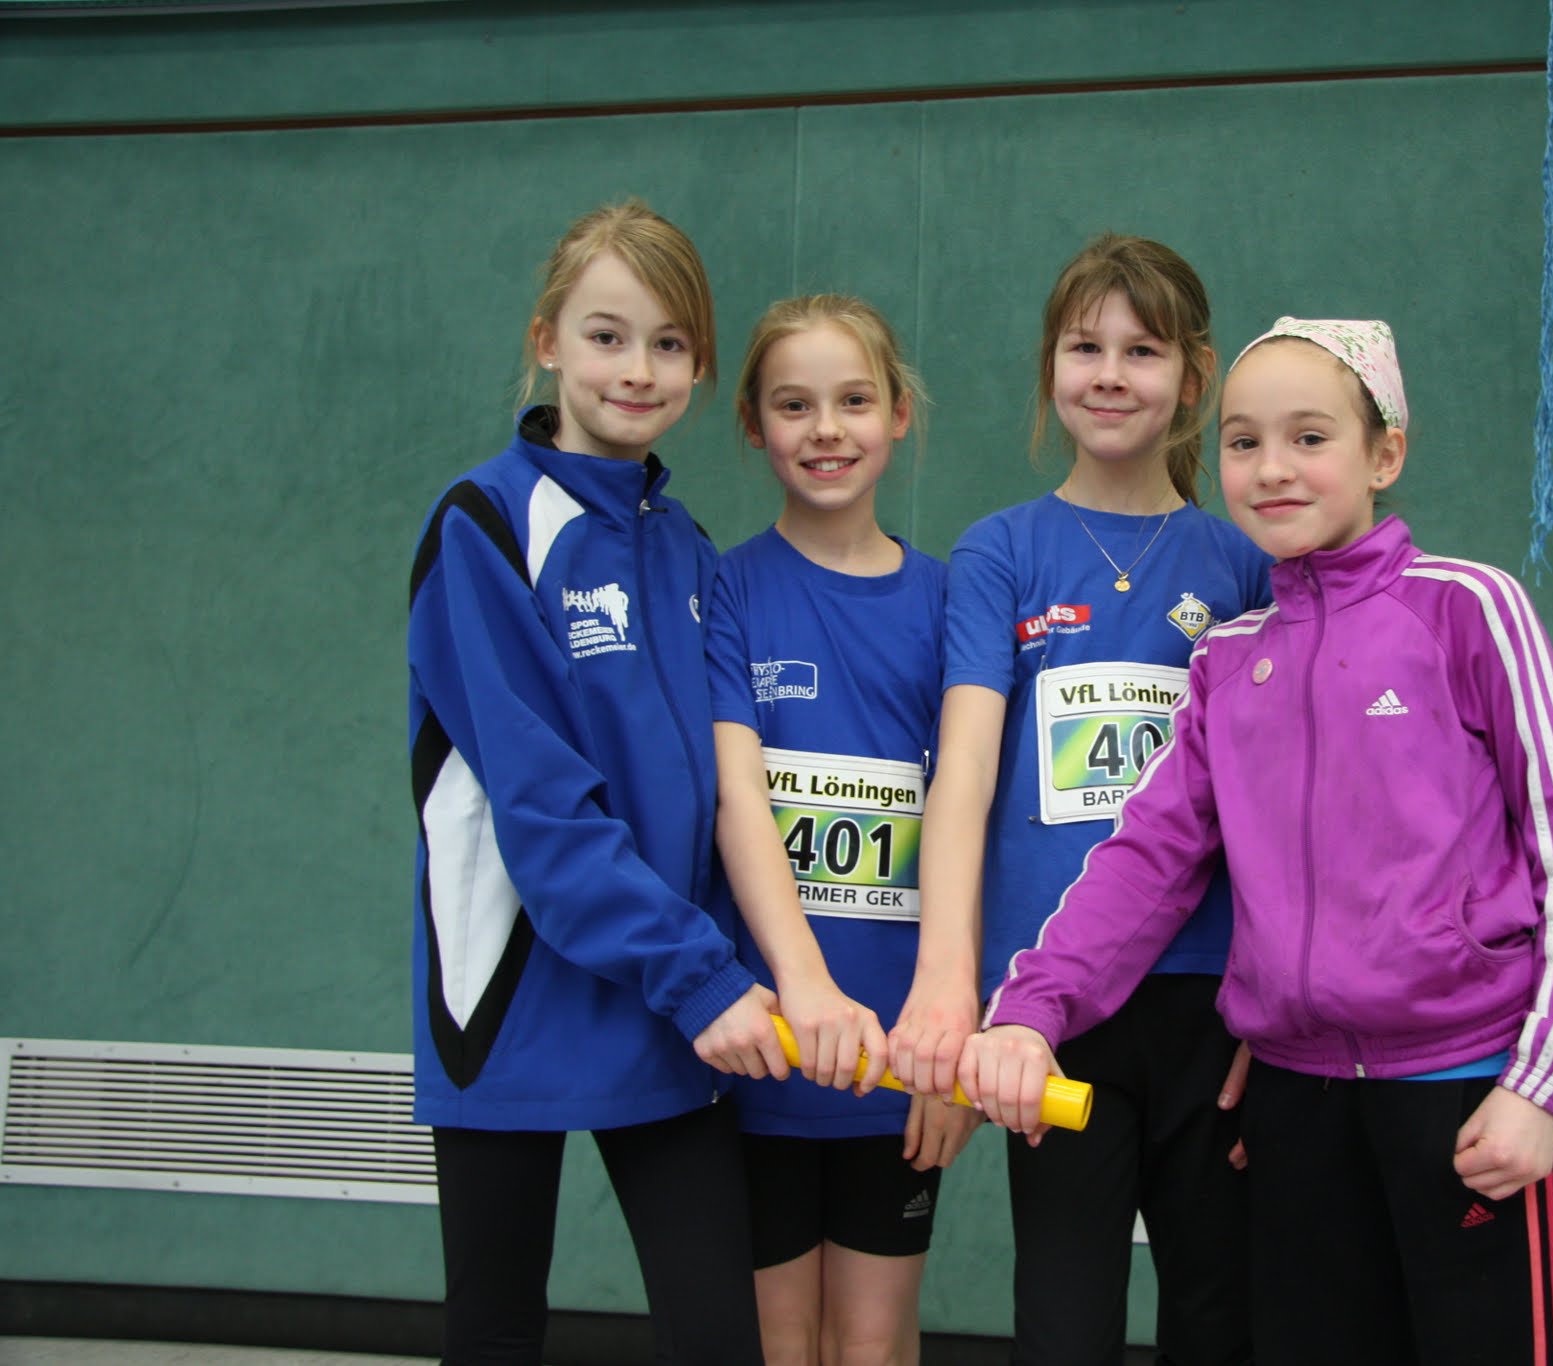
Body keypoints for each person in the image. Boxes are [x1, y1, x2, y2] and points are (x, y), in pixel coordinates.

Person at [961, 317, 1553, 1365]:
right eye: (1243, 441)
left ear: (1384, 454)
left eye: (1309, 437)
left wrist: (1539, 1088)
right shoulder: (1226, 661)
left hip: (1465, 1098)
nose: (1271, 467)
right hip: (1289, 1109)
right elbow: (1144, 863)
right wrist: (1028, 1011)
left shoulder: (1468, 609)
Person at [406, 200, 790, 1366]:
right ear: (547, 341)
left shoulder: (686, 547)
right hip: (515, 989)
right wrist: (700, 975)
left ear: (699, 365)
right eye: (606, 335)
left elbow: (720, 792)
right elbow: (541, 806)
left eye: (669, 343)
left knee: (718, 1336)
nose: (637, 369)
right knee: (495, 1330)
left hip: (669, 1005)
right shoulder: (481, 524)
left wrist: (740, 971)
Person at [890, 235, 1268, 1366]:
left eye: (1141, 350)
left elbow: (1273, 809)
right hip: (1050, 1017)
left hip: (1211, 1003)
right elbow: (962, 777)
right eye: (1083, 347)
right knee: (1064, 1323)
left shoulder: (1243, 562)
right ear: (1049, 366)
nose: (1109, 374)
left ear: (1193, 378)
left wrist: (1276, 1007)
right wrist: (951, 985)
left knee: (1220, 1314)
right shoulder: (999, 551)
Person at [708, 294, 980, 1366]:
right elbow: (736, 800)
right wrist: (802, 984)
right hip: (767, 1044)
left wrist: (950, 1046)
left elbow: (973, 823)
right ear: (753, 424)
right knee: (780, 1342)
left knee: (871, 1342)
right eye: (794, 405)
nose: (825, 428)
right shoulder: (725, 589)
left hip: (903, 1054)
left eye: (854, 400)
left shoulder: (950, 601)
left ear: (899, 414)